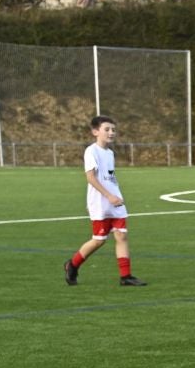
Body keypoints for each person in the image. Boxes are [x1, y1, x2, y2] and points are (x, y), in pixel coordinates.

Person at [63, 114, 146, 287]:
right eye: (107, 129)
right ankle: (73, 264)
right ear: (95, 132)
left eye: (113, 130)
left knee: (121, 235)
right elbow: (91, 178)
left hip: (115, 201)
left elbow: (109, 177)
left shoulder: (110, 153)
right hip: (101, 202)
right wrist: (108, 196)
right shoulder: (91, 151)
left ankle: (126, 277)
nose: (111, 133)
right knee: (99, 240)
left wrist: (116, 194)